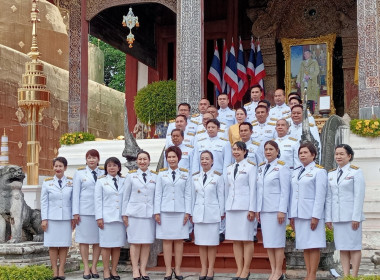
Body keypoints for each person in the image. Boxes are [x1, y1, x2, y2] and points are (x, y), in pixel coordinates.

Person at [325, 144, 366, 277]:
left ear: (349, 156)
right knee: (342, 247)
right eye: (336, 154)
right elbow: (329, 197)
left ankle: (354, 276)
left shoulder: (355, 172)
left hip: (351, 217)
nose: (338, 156)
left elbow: (359, 196)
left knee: (354, 246)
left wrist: (356, 216)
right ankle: (346, 275)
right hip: (337, 217)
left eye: (342, 154)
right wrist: (329, 218)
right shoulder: (331, 173)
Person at [289, 143, 327, 280]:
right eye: (300, 153)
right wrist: (291, 215)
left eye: (305, 152)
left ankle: (313, 274)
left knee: (314, 245)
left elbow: (320, 195)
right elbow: (293, 195)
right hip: (299, 214)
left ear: (313, 155)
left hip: (311, 214)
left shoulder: (319, 171)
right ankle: (308, 272)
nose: (302, 155)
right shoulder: (296, 171)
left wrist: (316, 216)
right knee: (305, 245)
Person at [154, 146, 192, 280]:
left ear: (178, 158)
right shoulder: (162, 174)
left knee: (179, 241)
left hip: (180, 211)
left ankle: (178, 269)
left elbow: (188, 194)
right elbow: (158, 194)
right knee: (167, 241)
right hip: (165, 211)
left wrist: (188, 212)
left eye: (174, 157)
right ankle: (168, 270)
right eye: (169, 157)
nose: (171, 159)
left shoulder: (185, 174)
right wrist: (156, 212)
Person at [256, 141, 290, 280]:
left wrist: (282, 210)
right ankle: (273, 270)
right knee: (269, 243)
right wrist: (258, 209)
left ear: (277, 151)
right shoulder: (261, 167)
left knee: (278, 242)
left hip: (276, 210)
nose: (268, 152)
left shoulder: (282, 167)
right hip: (264, 210)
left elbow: (285, 191)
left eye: (271, 149)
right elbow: (259, 190)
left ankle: (279, 271)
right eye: (266, 149)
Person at [122, 151, 158, 280]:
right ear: (137, 161)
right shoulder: (131, 177)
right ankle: (135, 269)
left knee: (146, 243)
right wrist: (124, 214)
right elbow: (125, 197)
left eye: (145, 159)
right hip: (134, 214)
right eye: (140, 159)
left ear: (149, 161)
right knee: (135, 242)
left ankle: (143, 269)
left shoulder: (155, 176)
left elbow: (156, 197)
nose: (142, 162)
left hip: (148, 214)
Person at [225, 141, 257, 280]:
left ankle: (246, 269)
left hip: (245, 208)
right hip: (232, 207)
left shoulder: (250, 167)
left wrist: (252, 209)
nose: (236, 152)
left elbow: (253, 189)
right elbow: (227, 189)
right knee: (236, 240)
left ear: (245, 151)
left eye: (239, 149)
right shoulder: (229, 168)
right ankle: (239, 269)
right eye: (234, 149)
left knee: (247, 239)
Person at [192, 151, 225, 280]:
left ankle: (211, 269)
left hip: (212, 214)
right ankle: (203, 268)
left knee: (211, 243)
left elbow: (221, 195)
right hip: (199, 214)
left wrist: (222, 212)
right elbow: (192, 197)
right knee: (201, 243)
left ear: (212, 161)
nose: (204, 161)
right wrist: (191, 213)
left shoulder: (217, 176)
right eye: (202, 159)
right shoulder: (194, 177)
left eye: (207, 159)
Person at [41, 157, 75, 280]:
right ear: (53, 167)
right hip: (51, 219)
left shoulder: (71, 182)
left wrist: (73, 218)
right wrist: (44, 219)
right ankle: (54, 270)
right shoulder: (47, 183)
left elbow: (73, 201)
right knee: (53, 245)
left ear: (65, 168)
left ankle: (61, 270)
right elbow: (44, 203)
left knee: (64, 245)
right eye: (56, 166)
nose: (58, 168)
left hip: (66, 218)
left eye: (60, 166)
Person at [72, 149, 104, 279]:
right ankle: (86, 267)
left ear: (98, 159)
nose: (91, 160)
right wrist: (75, 213)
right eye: (89, 158)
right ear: (86, 160)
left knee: (98, 241)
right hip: (84, 212)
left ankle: (94, 266)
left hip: (101, 212)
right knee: (84, 241)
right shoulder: (79, 173)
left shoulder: (104, 172)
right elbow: (75, 194)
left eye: (94, 157)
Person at [95, 157, 126, 280]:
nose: (112, 168)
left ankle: (114, 269)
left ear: (119, 167)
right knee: (106, 246)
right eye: (109, 166)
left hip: (120, 218)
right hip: (106, 218)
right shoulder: (101, 181)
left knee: (117, 246)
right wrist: (99, 217)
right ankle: (106, 270)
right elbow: (97, 201)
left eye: (114, 165)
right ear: (106, 168)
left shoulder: (124, 180)